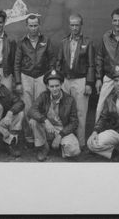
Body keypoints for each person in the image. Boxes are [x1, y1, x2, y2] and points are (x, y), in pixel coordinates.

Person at [14, 14, 55, 145]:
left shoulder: (46, 40)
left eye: (35, 25)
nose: (33, 28)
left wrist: (50, 79)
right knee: (26, 108)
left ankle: (41, 137)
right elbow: (17, 63)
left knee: (41, 107)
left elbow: (52, 60)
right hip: (26, 76)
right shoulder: (21, 42)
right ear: (27, 26)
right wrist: (18, 82)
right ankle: (29, 137)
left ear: (39, 25)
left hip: (42, 77)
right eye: (30, 26)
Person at [56, 13, 95, 150]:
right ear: (69, 26)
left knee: (80, 112)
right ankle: (65, 140)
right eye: (72, 25)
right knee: (64, 111)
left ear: (81, 25)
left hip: (80, 80)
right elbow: (59, 62)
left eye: (77, 25)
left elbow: (91, 64)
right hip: (66, 80)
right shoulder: (64, 41)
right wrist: (58, 80)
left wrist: (89, 83)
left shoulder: (87, 42)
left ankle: (81, 143)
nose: (74, 28)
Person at [28, 69, 80, 162]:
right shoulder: (44, 96)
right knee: (33, 121)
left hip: (62, 129)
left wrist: (60, 135)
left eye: (57, 86)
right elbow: (32, 110)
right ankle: (43, 148)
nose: (55, 89)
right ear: (47, 86)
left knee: (74, 151)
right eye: (52, 86)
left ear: (61, 85)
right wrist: (45, 120)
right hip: (47, 127)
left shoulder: (70, 100)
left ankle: (58, 145)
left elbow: (74, 122)